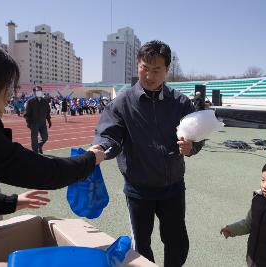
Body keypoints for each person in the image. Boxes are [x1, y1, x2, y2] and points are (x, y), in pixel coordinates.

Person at [0, 40, 105, 267]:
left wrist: (12, 201)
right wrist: (91, 159)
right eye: (7, 88)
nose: (9, 95)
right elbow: (45, 172)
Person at [93, 40, 203, 267]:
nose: (149, 76)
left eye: (156, 70)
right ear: (137, 65)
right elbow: (109, 135)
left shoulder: (180, 102)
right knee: (141, 243)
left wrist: (192, 147)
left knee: (177, 240)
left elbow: (198, 134)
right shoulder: (122, 103)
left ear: (167, 70)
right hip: (138, 189)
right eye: (145, 68)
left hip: (172, 186)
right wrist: (100, 149)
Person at [24, 86, 52, 154]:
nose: (38, 92)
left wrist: (49, 120)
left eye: (40, 90)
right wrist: (28, 122)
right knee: (34, 139)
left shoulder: (45, 101)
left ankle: (39, 146)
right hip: (34, 123)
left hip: (42, 123)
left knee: (45, 138)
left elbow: (48, 111)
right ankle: (35, 152)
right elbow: (26, 113)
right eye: (37, 91)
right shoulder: (30, 101)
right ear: (34, 92)